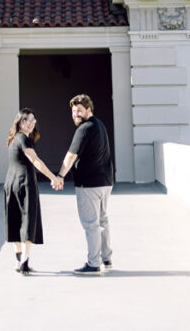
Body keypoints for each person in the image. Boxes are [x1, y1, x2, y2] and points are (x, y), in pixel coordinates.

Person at [57, 93, 114, 275]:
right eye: (74, 111)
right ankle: (106, 258)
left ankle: (93, 263)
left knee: (91, 225)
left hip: (89, 184)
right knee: (102, 221)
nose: (76, 114)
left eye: (80, 111)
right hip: (105, 181)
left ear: (89, 110)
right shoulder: (99, 125)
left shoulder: (84, 129)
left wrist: (60, 176)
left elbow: (71, 155)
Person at [4, 108, 63, 274]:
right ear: (20, 122)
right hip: (25, 183)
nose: (31, 123)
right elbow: (35, 161)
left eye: (33, 120)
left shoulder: (14, 138)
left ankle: (19, 260)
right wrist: (53, 177)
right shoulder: (24, 139)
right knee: (28, 220)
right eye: (27, 120)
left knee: (14, 220)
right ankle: (24, 260)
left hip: (11, 183)